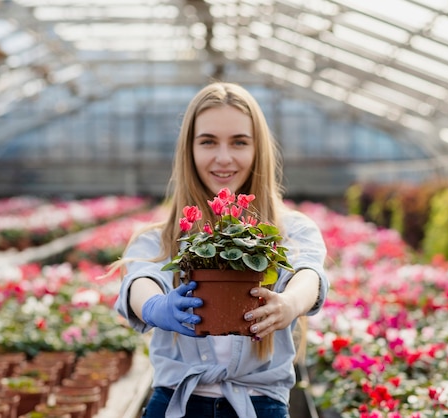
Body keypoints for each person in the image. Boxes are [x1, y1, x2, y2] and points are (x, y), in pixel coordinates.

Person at [113, 82, 329, 418]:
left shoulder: (292, 230)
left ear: (258, 150)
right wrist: (156, 306)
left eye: (239, 142)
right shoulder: (161, 237)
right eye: (208, 142)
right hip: (175, 402)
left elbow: (308, 273)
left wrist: (290, 303)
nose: (224, 158)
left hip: (260, 404)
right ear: (189, 150)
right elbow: (143, 277)